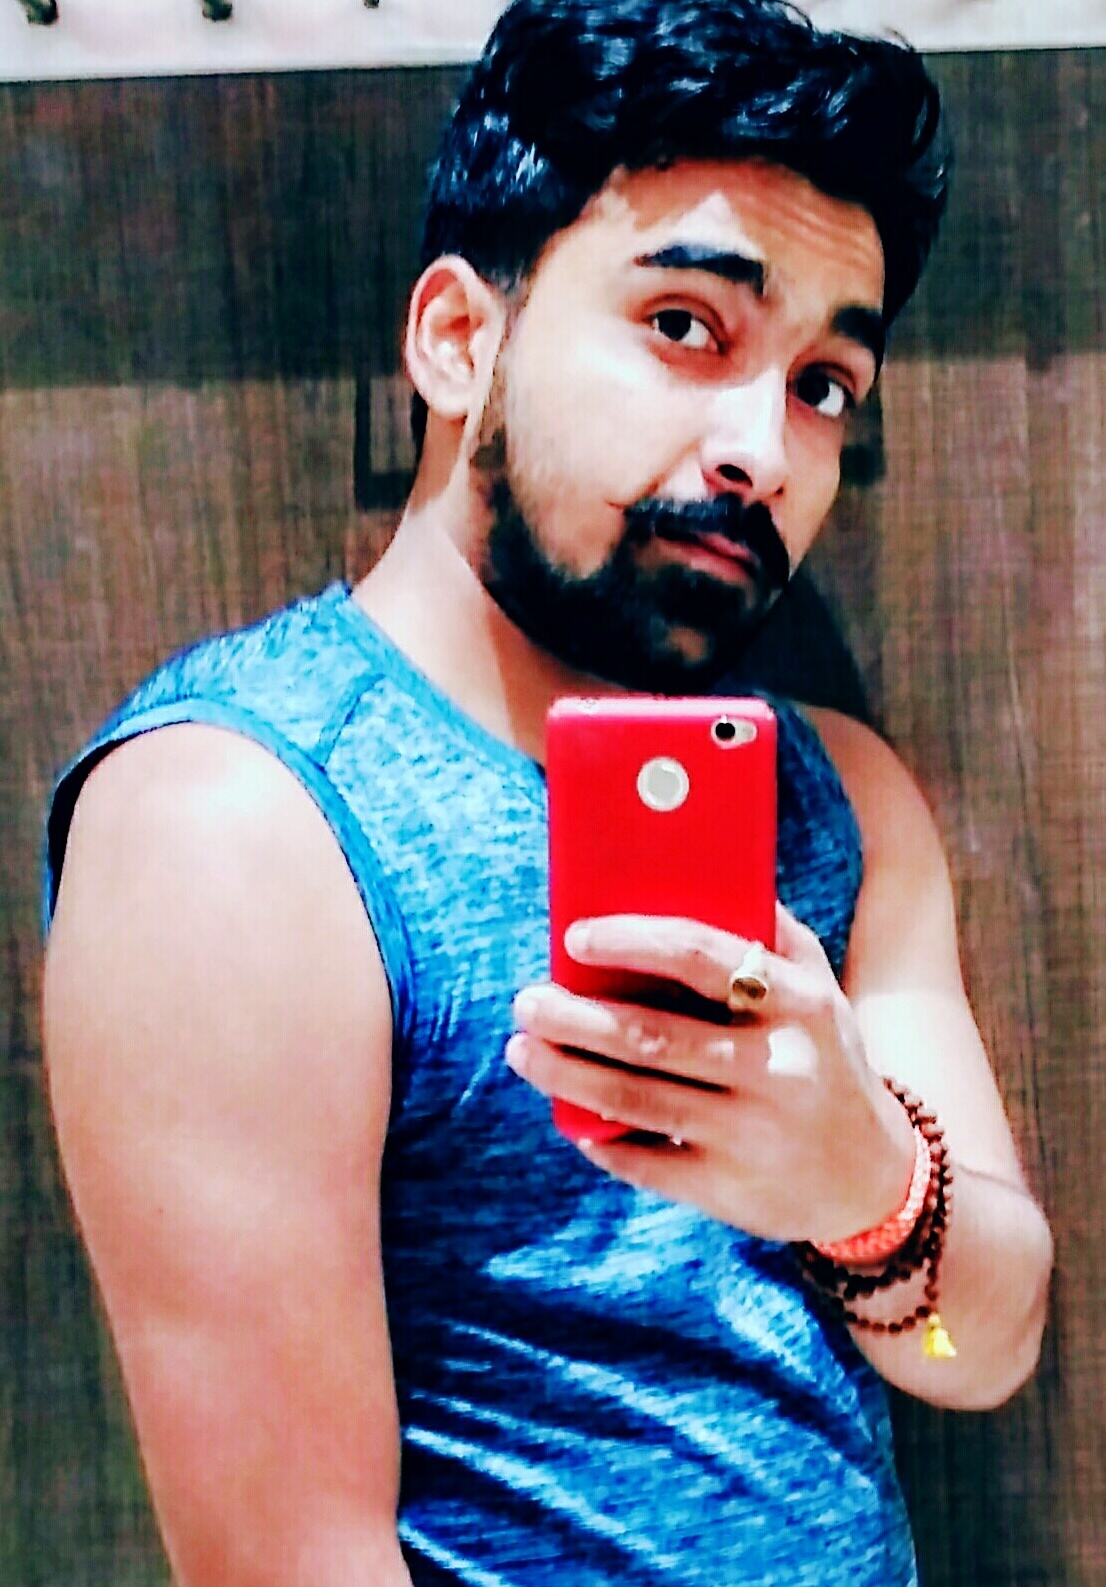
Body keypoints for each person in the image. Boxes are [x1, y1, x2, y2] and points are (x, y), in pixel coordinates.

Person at [41, 2, 1054, 1584]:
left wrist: (865, 1189)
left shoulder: (839, 800)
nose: (762, 449)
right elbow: (291, 1562)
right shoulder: (235, 823)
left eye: (823, 385)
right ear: (460, 338)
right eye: (685, 325)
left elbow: (973, 1350)